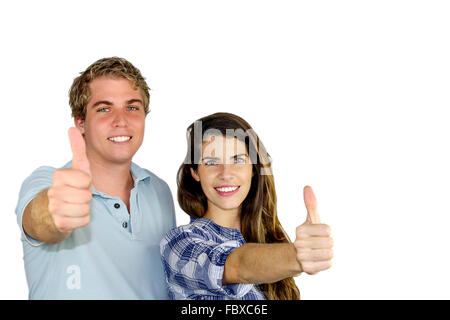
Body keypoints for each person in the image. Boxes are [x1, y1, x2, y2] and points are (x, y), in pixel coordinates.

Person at [15, 57, 176, 299]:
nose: (121, 121)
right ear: (81, 123)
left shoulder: (160, 190)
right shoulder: (50, 181)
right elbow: (39, 220)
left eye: (132, 107)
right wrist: (54, 213)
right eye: (104, 109)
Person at [160, 112, 334, 300]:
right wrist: (296, 257)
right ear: (195, 172)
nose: (226, 174)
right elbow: (236, 265)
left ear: (253, 168)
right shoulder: (179, 244)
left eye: (238, 160)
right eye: (211, 162)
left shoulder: (268, 242)